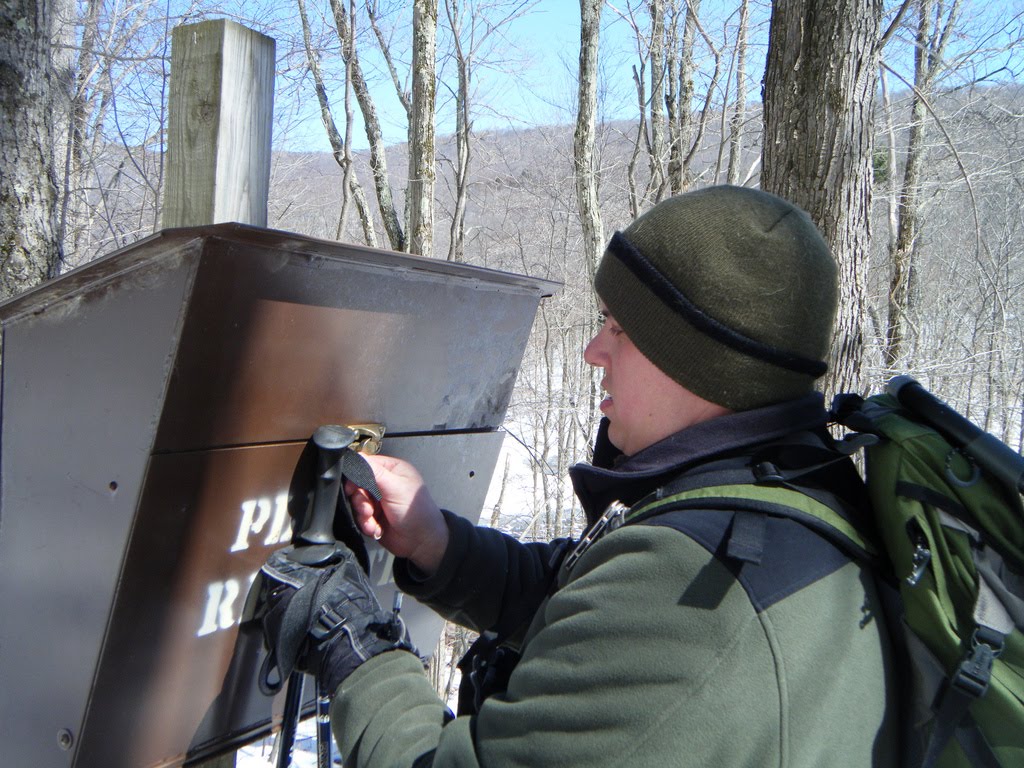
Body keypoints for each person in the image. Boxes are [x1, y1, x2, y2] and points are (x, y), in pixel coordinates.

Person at [253, 185, 898, 767]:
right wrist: (436, 545)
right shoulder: (789, 494)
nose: (594, 351)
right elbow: (588, 606)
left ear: (702, 366)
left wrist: (351, 643)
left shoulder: (703, 585)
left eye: (619, 329)